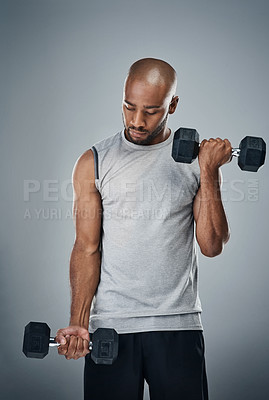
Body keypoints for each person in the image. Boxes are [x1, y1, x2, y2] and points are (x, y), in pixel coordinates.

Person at [56, 57, 231, 400]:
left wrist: (209, 173)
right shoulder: (94, 161)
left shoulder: (197, 162)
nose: (137, 121)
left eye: (151, 111)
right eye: (128, 106)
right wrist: (79, 320)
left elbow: (211, 246)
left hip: (177, 324)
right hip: (111, 328)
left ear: (173, 105)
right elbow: (87, 247)